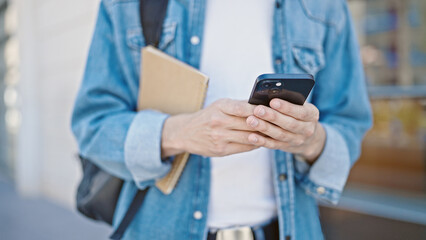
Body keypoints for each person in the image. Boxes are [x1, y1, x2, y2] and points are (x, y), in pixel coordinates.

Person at [71, 0, 372, 239]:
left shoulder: (326, 5)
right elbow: (92, 123)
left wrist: (310, 139)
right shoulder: (123, 4)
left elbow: (349, 120)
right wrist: (178, 133)